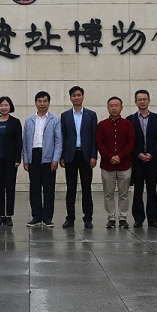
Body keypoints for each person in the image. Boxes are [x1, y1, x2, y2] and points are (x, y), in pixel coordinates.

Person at [60, 86, 98, 229]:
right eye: (73, 95)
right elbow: (63, 136)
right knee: (71, 189)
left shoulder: (91, 115)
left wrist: (93, 156)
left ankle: (88, 218)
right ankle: (70, 218)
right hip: (70, 155)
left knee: (86, 189)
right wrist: (62, 156)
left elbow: (94, 138)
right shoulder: (65, 115)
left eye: (78, 95)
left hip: (86, 155)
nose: (76, 97)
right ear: (70, 98)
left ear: (83, 96)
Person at [22, 91, 62, 227]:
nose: (42, 104)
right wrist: (26, 159)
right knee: (34, 188)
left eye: (45, 101)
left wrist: (55, 159)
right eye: (39, 101)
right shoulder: (29, 120)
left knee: (49, 188)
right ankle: (36, 216)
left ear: (49, 103)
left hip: (48, 157)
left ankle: (47, 217)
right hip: (33, 156)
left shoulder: (55, 120)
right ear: (35, 103)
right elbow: (25, 142)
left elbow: (58, 142)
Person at [96, 96, 135, 229]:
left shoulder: (128, 124)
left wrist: (120, 156)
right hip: (107, 165)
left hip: (125, 165)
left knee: (124, 194)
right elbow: (99, 143)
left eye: (116, 105)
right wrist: (109, 156)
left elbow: (131, 143)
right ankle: (111, 218)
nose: (114, 108)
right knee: (108, 194)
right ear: (108, 108)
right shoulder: (102, 125)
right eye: (111, 106)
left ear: (121, 108)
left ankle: (123, 218)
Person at [127, 90, 157, 228]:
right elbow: (129, 140)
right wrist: (138, 154)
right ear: (135, 102)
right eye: (139, 99)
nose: (142, 101)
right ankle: (138, 218)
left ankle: (153, 219)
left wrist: (151, 154)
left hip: (152, 160)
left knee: (152, 189)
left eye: (144, 99)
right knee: (138, 190)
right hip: (137, 160)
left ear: (149, 101)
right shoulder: (130, 119)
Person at [0, 96, 23, 227]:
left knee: (10, 188)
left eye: (6, 105)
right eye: (1, 105)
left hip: (10, 161)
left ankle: (9, 215)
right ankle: (1, 215)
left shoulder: (15, 122)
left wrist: (17, 159)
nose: (4, 107)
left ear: (10, 106)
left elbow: (19, 142)